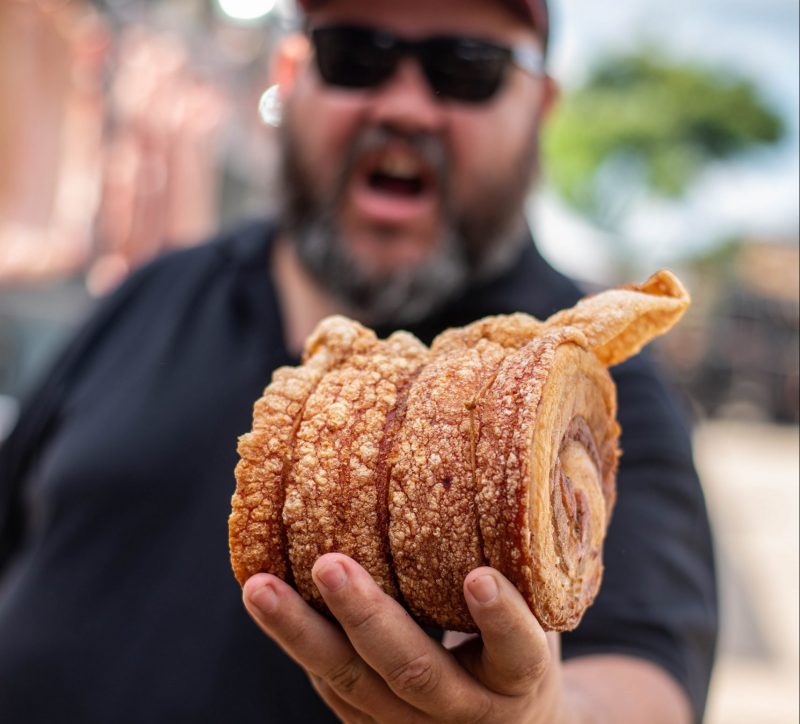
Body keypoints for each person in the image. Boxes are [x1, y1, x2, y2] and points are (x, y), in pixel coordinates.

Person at [0, 0, 717, 722]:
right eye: (354, 56)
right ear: (291, 75)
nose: (404, 105)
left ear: (539, 105)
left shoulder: (592, 386)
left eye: (466, 68)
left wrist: (545, 716)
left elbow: (646, 684)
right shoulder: (156, 292)